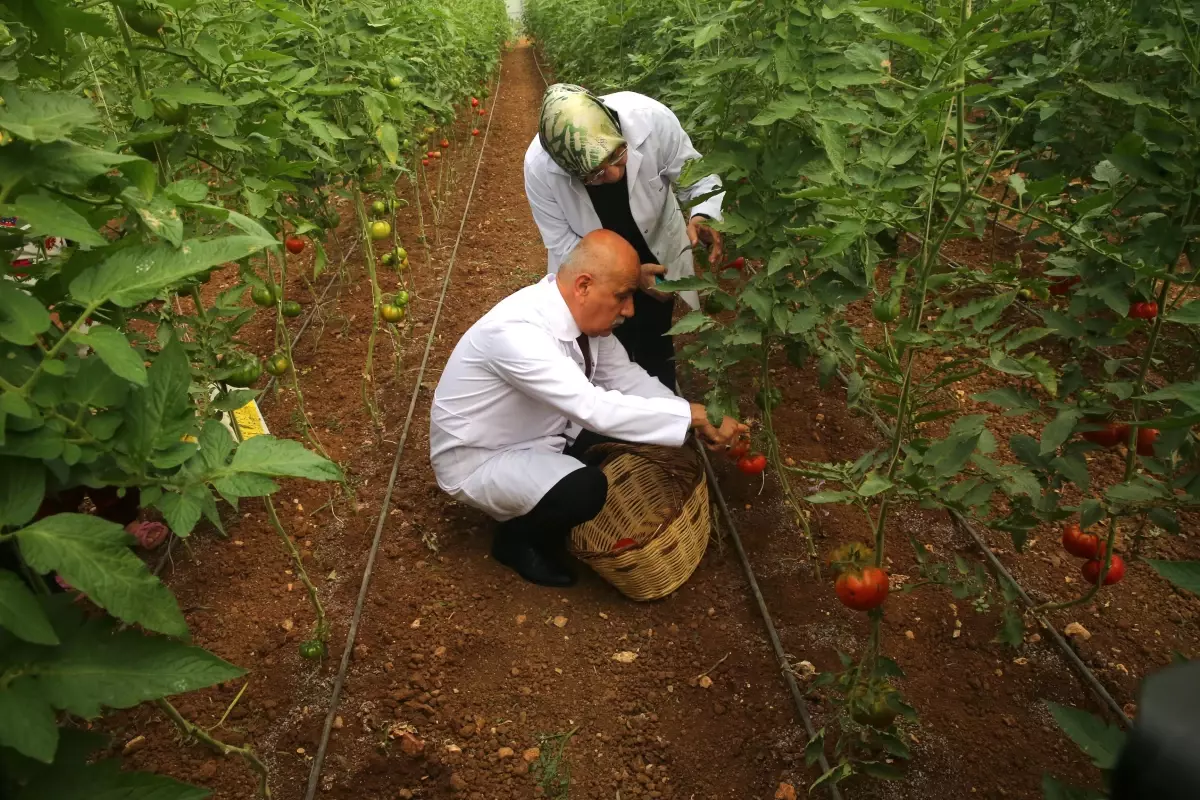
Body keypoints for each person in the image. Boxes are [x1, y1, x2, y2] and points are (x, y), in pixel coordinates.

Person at [429, 230, 746, 587]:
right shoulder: (516, 334)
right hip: (481, 456)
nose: (629, 309)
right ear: (583, 286)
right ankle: (516, 541)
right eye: (623, 296)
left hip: (533, 431)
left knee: (630, 434)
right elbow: (592, 407)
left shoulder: (584, 325)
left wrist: (689, 418)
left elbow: (627, 380)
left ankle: (540, 495)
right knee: (585, 489)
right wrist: (693, 414)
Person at [524, 83, 725, 392]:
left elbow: (697, 176)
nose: (614, 175)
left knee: (655, 332)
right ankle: (613, 414)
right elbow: (562, 242)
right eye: (596, 175)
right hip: (591, 259)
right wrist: (629, 278)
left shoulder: (652, 120)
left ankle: (661, 406)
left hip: (654, 246)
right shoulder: (540, 169)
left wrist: (703, 214)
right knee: (602, 343)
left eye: (617, 156)